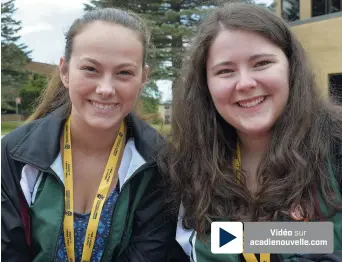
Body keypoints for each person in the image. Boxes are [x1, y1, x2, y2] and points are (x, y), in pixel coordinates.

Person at [159, 3, 342, 262]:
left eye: (262, 63)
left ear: (291, 67)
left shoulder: (336, 146)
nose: (245, 83)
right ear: (205, 85)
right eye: (225, 71)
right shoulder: (188, 168)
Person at [1, 8, 186, 262]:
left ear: (143, 78)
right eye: (90, 69)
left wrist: (254, 238)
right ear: (65, 72)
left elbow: (153, 253)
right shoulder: (14, 153)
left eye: (124, 73)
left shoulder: (161, 163)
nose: (106, 89)